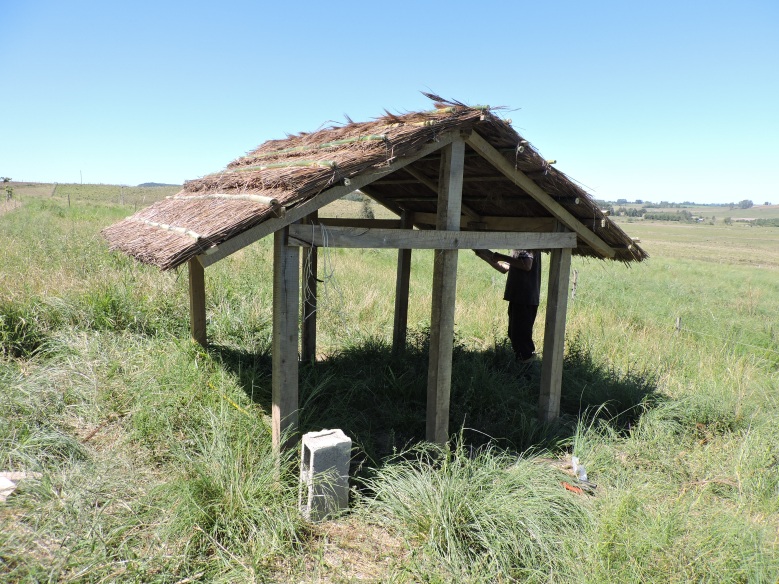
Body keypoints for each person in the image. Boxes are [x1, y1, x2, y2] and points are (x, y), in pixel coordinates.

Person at [475, 249, 541, 362]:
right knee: (514, 334)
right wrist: (484, 255)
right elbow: (504, 268)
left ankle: (527, 373)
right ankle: (523, 369)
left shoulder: (528, 243)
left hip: (524, 298)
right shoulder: (518, 248)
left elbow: (526, 265)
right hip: (518, 297)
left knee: (522, 339)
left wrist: (500, 256)